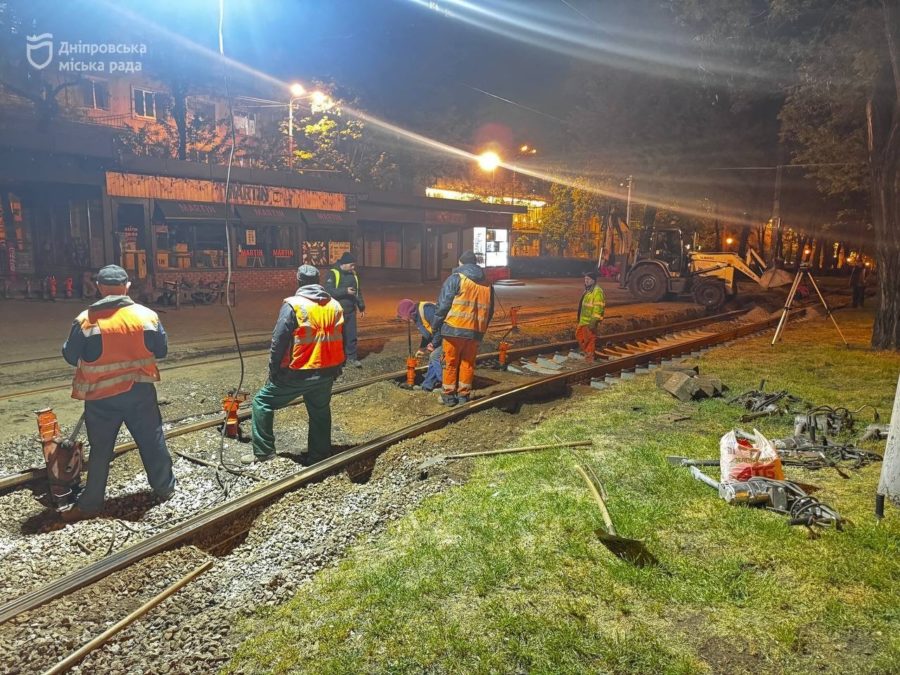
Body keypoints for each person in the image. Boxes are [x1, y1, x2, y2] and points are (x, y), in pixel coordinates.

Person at [61, 264, 175, 520]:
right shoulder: (147, 316)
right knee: (152, 440)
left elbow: (69, 355)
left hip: (101, 398)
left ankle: (90, 503)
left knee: (100, 450)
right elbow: (162, 350)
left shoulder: (86, 320)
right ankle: (165, 488)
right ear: (127, 287)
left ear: (99, 287)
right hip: (139, 392)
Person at [243, 265, 344, 465]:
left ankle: (264, 453)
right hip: (327, 371)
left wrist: (274, 370)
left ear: (298, 281)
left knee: (262, 402)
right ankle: (319, 454)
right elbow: (343, 338)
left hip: (299, 371)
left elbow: (278, 340)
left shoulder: (294, 305)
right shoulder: (335, 305)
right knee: (320, 410)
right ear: (318, 280)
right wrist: (338, 367)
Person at [431, 250, 495, 406]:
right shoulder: (487, 284)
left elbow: (443, 305)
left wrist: (435, 326)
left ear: (460, 263)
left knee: (450, 362)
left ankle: (448, 396)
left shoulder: (456, 278)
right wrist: (481, 329)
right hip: (475, 332)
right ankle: (463, 396)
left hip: (454, 328)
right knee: (468, 363)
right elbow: (490, 311)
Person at [325, 251, 365, 367]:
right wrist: (345, 291)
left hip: (351, 311)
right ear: (345, 263)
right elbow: (328, 291)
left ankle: (352, 358)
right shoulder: (333, 273)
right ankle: (338, 359)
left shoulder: (353, 275)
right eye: (351, 265)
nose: (353, 267)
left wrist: (361, 307)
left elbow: (358, 292)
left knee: (351, 336)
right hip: (336, 312)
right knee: (337, 337)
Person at [396, 298, 443, 392]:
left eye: (405, 317)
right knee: (433, 358)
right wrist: (422, 348)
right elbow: (427, 334)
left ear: (410, 313)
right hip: (441, 337)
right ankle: (427, 386)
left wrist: (433, 344)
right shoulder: (417, 317)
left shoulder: (427, 310)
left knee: (435, 356)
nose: (406, 320)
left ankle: (447, 386)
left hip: (450, 335)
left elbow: (440, 328)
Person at [576, 270, 606, 361]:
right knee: (580, 336)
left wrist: (593, 321)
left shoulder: (597, 291)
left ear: (594, 280)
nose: (586, 281)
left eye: (588, 279)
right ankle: (587, 354)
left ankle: (589, 358)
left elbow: (598, 307)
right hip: (583, 321)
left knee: (589, 340)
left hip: (589, 321)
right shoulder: (588, 290)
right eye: (585, 279)